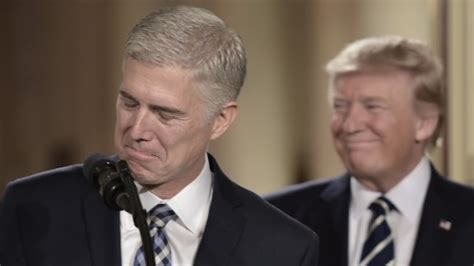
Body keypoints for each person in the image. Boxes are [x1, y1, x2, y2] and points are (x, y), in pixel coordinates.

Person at [0, 6, 319, 266]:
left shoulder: (283, 249)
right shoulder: (34, 207)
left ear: (220, 120)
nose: (136, 131)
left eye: (165, 114)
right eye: (129, 102)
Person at [266, 36, 474, 266]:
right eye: (340, 106)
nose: (349, 125)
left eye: (373, 106)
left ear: (425, 123)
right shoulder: (279, 217)